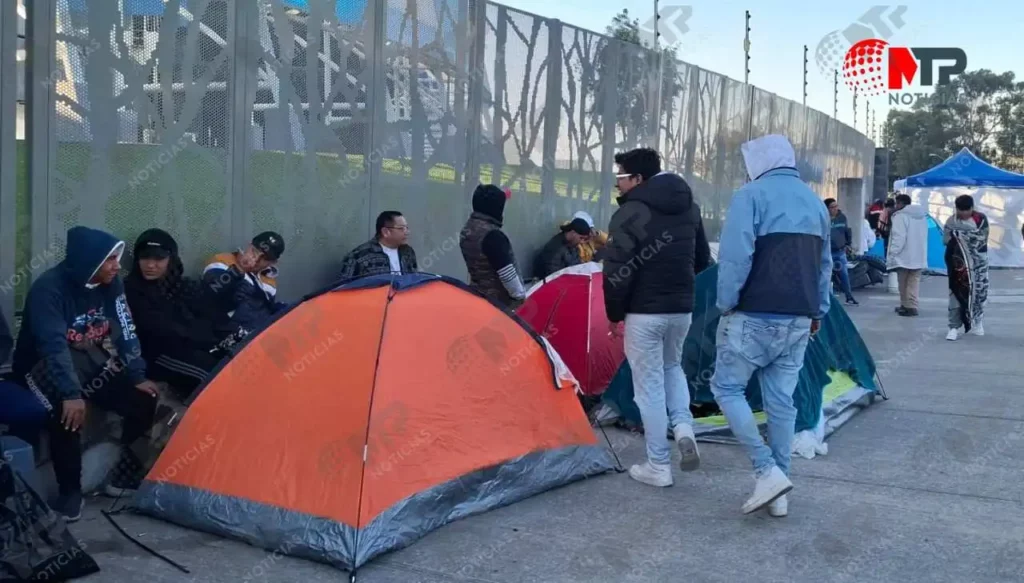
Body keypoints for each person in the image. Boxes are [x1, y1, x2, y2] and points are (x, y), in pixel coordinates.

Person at [710, 134, 832, 518]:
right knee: (781, 403)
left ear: (757, 162)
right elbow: (824, 267)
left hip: (753, 314)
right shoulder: (816, 202)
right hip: (800, 318)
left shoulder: (750, 195)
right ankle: (779, 491)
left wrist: (725, 303)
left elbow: (734, 257)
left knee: (726, 387)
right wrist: (819, 312)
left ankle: (766, 470)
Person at [11, 226, 161, 522]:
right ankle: (70, 493)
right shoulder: (49, 289)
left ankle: (117, 477)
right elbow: (52, 346)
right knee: (66, 414)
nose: (117, 265)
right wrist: (71, 394)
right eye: (110, 259)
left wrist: (136, 374)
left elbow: (124, 330)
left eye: (117, 258)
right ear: (89, 261)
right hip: (41, 365)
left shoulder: (112, 284)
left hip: (84, 359)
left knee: (143, 399)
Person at [602, 147, 711, 488]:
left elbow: (617, 271)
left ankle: (658, 465)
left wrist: (614, 314)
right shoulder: (689, 208)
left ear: (638, 179)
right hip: (681, 309)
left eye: (621, 178)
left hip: (643, 313)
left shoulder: (629, 214)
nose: (617, 185)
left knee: (648, 388)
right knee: (672, 368)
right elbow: (702, 259)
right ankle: (682, 427)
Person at [125, 229, 223, 401]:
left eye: (158, 258)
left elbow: (211, 314)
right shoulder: (131, 289)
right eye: (145, 257)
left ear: (171, 260)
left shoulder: (180, 285)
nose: (150, 265)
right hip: (157, 355)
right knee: (211, 377)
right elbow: (160, 329)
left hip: (190, 348)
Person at [202, 231, 287, 337]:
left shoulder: (269, 281)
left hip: (258, 336)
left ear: (273, 262)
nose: (256, 259)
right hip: (224, 334)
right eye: (254, 251)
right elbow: (211, 290)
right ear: (249, 245)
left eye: (264, 258)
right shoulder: (223, 261)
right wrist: (239, 269)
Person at [459, 184, 527, 310]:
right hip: (497, 303)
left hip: (476, 294)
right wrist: (520, 296)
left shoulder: (468, 229)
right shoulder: (493, 236)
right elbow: (507, 274)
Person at [943, 194, 989, 340]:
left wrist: (960, 235)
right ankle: (953, 327)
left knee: (979, 293)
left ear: (971, 208)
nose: (962, 214)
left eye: (965, 210)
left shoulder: (980, 220)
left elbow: (981, 239)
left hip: (978, 265)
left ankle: (978, 321)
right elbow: (946, 240)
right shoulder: (951, 221)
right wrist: (958, 238)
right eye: (959, 210)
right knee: (956, 293)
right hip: (958, 266)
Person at [339, 211, 418, 279]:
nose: (407, 232)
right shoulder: (359, 256)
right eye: (401, 228)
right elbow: (343, 288)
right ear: (385, 232)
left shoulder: (408, 252)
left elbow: (414, 279)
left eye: (407, 228)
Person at [887, 194, 929, 317]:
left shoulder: (900, 217)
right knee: (914, 281)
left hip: (904, 255)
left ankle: (907, 305)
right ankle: (911, 305)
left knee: (903, 282)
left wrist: (893, 253)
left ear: (900, 203)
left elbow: (899, 237)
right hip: (919, 253)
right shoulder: (922, 216)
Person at [824, 198, 858, 305]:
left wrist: (848, 244)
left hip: (840, 251)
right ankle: (826, 297)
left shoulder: (842, 218)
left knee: (844, 274)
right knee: (826, 275)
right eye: (832, 207)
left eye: (836, 206)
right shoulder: (824, 219)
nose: (835, 209)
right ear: (827, 209)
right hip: (827, 252)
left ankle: (849, 296)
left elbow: (847, 231)